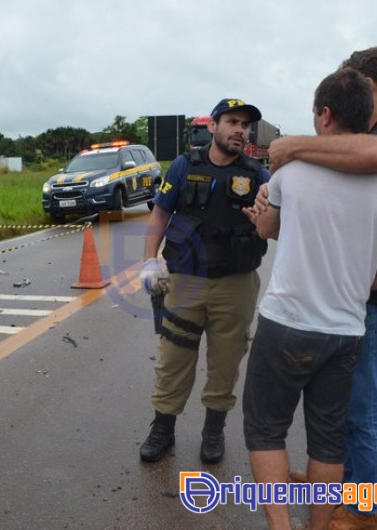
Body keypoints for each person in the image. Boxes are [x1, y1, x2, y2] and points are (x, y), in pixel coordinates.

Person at [241, 67, 377, 530]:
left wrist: (262, 207)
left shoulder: (293, 170)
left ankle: (281, 526)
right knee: (328, 440)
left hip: (286, 321)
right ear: (368, 115)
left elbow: (267, 229)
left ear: (324, 115)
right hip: (345, 330)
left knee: (266, 431)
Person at [138, 98, 270, 464]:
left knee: (226, 361)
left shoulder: (258, 174)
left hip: (236, 283)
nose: (240, 130)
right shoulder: (183, 166)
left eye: (245, 125)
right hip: (186, 281)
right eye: (232, 122)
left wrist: (264, 214)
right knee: (173, 357)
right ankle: (162, 428)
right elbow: (161, 212)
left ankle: (214, 430)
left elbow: (273, 225)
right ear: (213, 126)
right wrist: (149, 260)